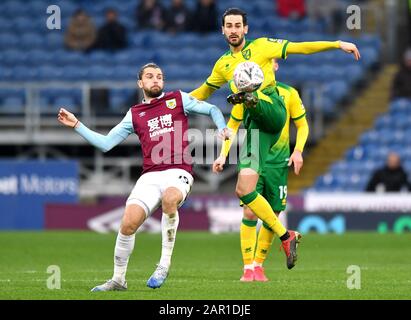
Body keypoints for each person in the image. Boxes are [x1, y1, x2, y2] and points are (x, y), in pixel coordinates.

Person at [189, 7, 360, 270]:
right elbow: (202, 92)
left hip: (273, 110)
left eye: (238, 25)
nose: (233, 30)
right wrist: (172, 103)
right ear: (222, 30)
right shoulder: (222, 65)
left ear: (245, 29)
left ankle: (249, 96)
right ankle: (285, 235)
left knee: (250, 99)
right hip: (255, 130)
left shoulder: (263, 46)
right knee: (243, 192)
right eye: (229, 26)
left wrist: (337, 43)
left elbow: (301, 48)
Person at [57, 63, 229, 291]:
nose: (155, 80)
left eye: (159, 76)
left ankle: (164, 264)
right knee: (127, 224)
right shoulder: (135, 113)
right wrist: (77, 125)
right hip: (150, 176)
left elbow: (212, 110)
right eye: (149, 76)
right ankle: (118, 279)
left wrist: (221, 127)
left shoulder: (177, 99)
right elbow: (107, 144)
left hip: (179, 171)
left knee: (170, 199)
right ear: (141, 83)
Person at [239, 60, 309, 282]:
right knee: (250, 212)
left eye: (270, 64)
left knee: (273, 214)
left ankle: (259, 266)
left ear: (275, 67)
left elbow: (303, 125)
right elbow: (237, 122)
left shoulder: (289, 93)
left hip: (278, 161)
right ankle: (248, 268)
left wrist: (298, 151)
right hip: (255, 155)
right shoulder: (249, 93)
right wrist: (224, 151)